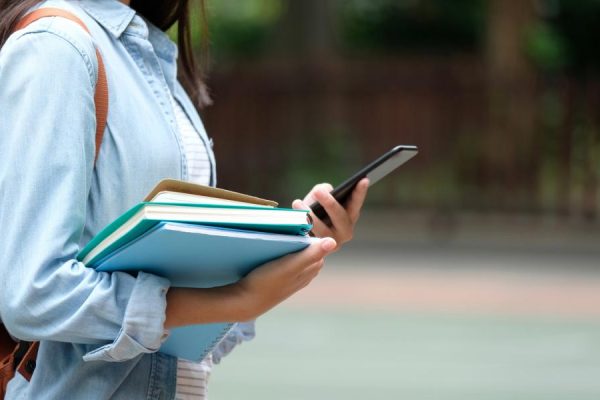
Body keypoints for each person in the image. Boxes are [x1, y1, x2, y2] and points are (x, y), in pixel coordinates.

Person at [0, 0, 369, 399]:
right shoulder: (57, 45)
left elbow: (182, 345)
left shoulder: (145, 56)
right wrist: (232, 299)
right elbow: (32, 294)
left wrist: (294, 243)